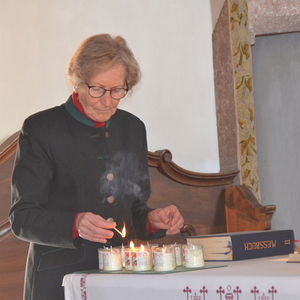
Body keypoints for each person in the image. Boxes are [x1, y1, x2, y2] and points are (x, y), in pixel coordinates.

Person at [9, 34, 184, 300]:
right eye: (98, 89)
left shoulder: (132, 128)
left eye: (118, 90)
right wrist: (75, 224)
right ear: (78, 82)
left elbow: (133, 209)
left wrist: (150, 220)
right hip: (59, 282)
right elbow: (22, 218)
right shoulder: (41, 129)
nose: (109, 101)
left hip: (122, 280)